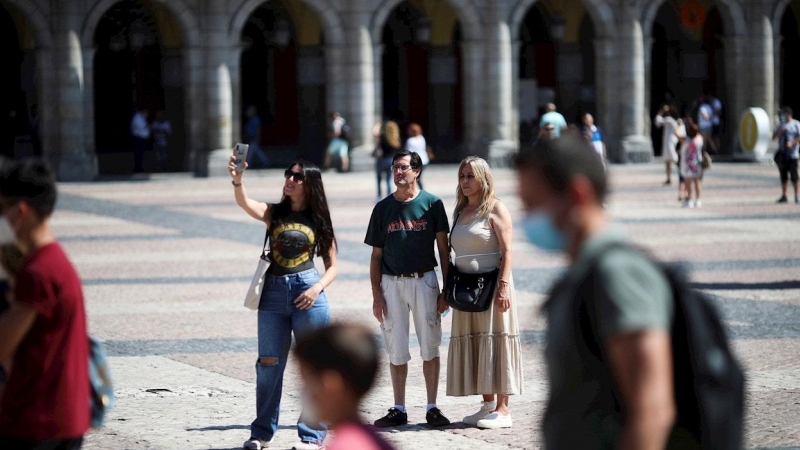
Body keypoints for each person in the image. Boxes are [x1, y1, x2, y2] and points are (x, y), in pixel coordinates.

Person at [514, 135, 676, 450]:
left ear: (577, 194)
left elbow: (651, 413)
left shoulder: (619, 273)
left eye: (532, 204)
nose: (527, 218)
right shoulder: (584, 273)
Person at [229, 157, 338, 450]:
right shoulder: (275, 213)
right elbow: (245, 203)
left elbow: (332, 267)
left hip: (308, 294)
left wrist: (316, 289)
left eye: (297, 177)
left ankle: (312, 435)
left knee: (315, 367)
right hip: (273, 296)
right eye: (288, 174)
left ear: (309, 183)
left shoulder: (319, 219)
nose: (289, 179)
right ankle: (261, 433)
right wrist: (238, 180)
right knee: (268, 365)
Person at [0, 159, 91, 449]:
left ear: (21, 211)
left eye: (2, 210)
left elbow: (2, 345)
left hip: (36, 422)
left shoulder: (38, 272)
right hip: (63, 418)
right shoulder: (56, 262)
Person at [364, 150, 451, 429]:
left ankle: (432, 407)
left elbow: (444, 250)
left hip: (424, 281)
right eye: (394, 168)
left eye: (403, 168)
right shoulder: (382, 208)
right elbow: (376, 256)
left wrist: (446, 290)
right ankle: (398, 407)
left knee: (430, 345)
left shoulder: (433, 204)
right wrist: (377, 295)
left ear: (417, 171)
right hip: (391, 283)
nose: (398, 173)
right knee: (396, 348)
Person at [445, 157, 523, 429]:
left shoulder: (496, 208)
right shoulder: (459, 210)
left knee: (498, 339)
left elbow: (508, 251)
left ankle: (503, 409)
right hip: (467, 288)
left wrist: (503, 287)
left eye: (470, 176)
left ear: (483, 178)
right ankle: (487, 404)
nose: (465, 181)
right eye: (462, 175)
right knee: (478, 340)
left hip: (493, 286)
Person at [294, 323, 396, 450]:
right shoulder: (374, 439)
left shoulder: (345, 445)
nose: (303, 391)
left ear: (331, 384)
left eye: (307, 381)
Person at [772, 106, 800, 204]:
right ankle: (784, 195)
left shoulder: (796, 124)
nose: (782, 116)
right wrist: (780, 131)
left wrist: (792, 143)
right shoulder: (781, 125)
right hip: (782, 154)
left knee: (794, 176)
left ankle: (797, 195)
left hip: (793, 154)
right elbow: (773, 137)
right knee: (783, 175)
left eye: (784, 114)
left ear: (788, 114)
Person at [679, 122, 704, 208]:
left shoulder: (686, 141)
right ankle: (698, 200)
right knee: (697, 183)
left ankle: (689, 200)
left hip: (688, 165)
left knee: (688, 183)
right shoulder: (699, 139)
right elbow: (698, 133)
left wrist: (680, 125)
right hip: (697, 164)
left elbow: (676, 133)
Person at [374, 121, 401, 201]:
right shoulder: (396, 139)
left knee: (379, 178)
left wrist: (378, 125)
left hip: (382, 160)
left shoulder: (383, 138)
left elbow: (375, 133)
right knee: (389, 179)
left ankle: (379, 196)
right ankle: (389, 196)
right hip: (391, 161)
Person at [655, 104, 680, 185]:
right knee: (667, 161)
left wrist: (660, 112)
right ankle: (668, 178)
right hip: (668, 141)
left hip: (669, 142)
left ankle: (682, 172)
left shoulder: (669, 120)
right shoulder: (672, 120)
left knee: (673, 158)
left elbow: (658, 121)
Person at [405, 123, 429, 190]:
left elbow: (408, 152)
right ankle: (419, 190)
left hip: (416, 161)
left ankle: (417, 191)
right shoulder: (422, 138)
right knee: (417, 177)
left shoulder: (410, 141)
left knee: (414, 177)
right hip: (424, 160)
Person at [130, 107, 150, 172]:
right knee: (138, 154)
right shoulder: (137, 118)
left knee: (141, 154)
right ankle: (138, 168)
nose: (147, 114)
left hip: (142, 139)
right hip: (138, 139)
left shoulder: (142, 118)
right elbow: (141, 127)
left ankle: (140, 167)